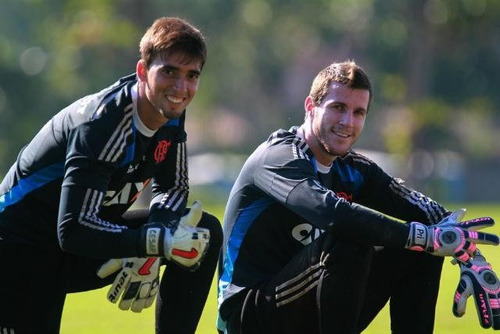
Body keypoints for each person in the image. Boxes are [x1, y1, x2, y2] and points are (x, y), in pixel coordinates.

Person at [217, 60, 499, 334]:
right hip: (249, 316)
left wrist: (471, 256)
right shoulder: (279, 156)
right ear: (310, 107)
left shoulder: (353, 168)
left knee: (425, 243)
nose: (347, 121)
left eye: (358, 112)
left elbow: (430, 214)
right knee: (355, 239)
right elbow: (332, 214)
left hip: (307, 303)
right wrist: (421, 236)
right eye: (337, 107)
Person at [0, 16, 222, 334]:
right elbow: (73, 228)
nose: (181, 88)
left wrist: (155, 238)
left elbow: (173, 187)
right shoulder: (101, 124)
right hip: (19, 254)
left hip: (74, 249)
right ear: (142, 72)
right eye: (169, 71)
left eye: (192, 76)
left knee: (202, 232)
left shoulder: (171, 112)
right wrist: (147, 243)